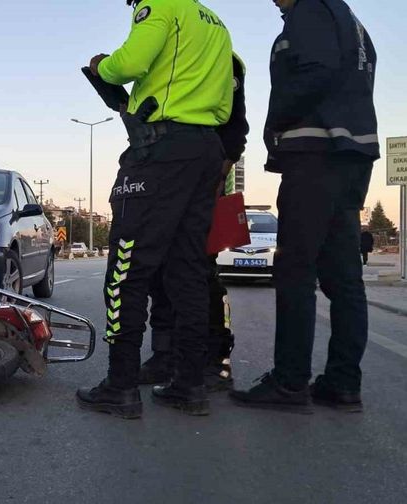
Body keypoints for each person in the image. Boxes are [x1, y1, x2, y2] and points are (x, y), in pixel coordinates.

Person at [76, 0, 233, 419]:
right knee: (188, 272)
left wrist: (102, 66)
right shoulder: (215, 22)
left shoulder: (159, 3)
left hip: (160, 151)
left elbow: (130, 63)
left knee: (126, 269)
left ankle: (121, 384)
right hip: (205, 150)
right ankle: (189, 384)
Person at [230, 0, 377, 414]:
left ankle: (290, 382)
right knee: (344, 276)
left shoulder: (311, 9)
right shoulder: (349, 19)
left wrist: (274, 120)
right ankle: (343, 383)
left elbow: (317, 72)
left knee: (294, 270)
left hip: (316, 153)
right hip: (350, 154)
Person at [141, 52, 249, 393]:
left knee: (199, 274)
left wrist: (219, 175)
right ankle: (165, 355)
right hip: (163, 180)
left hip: (205, 183)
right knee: (159, 272)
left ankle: (215, 361)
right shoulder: (160, 51)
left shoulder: (222, 56)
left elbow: (235, 127)